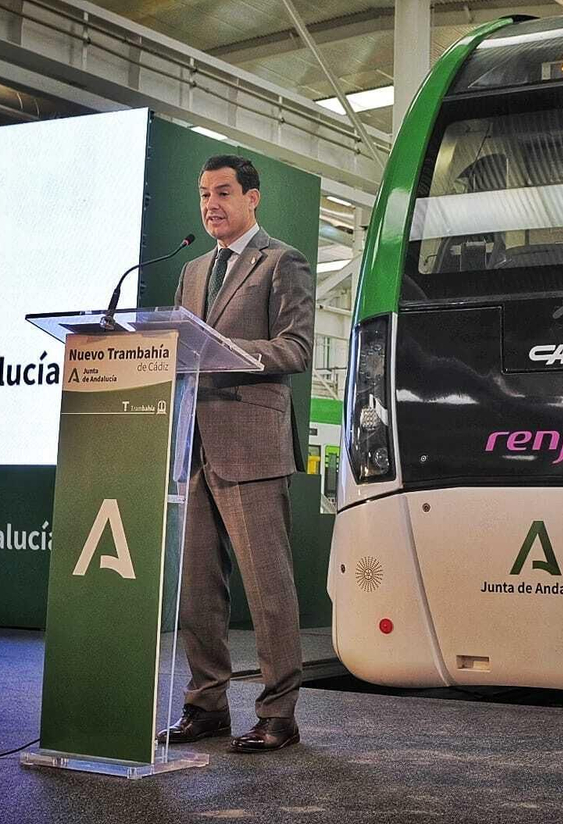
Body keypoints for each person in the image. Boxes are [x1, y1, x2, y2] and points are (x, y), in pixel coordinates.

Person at [160, 154, 313, 753]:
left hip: (251, 441)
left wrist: (225, 350)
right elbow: (178, 346)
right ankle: (207, 706)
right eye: (203, 194)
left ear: (253, 198)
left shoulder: (282, 261)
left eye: (222, 192)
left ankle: (279, 714)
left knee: (267, 587)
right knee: (197, 588)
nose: (210, 204)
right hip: (193, 445)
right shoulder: (193, 270)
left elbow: (296, 348)